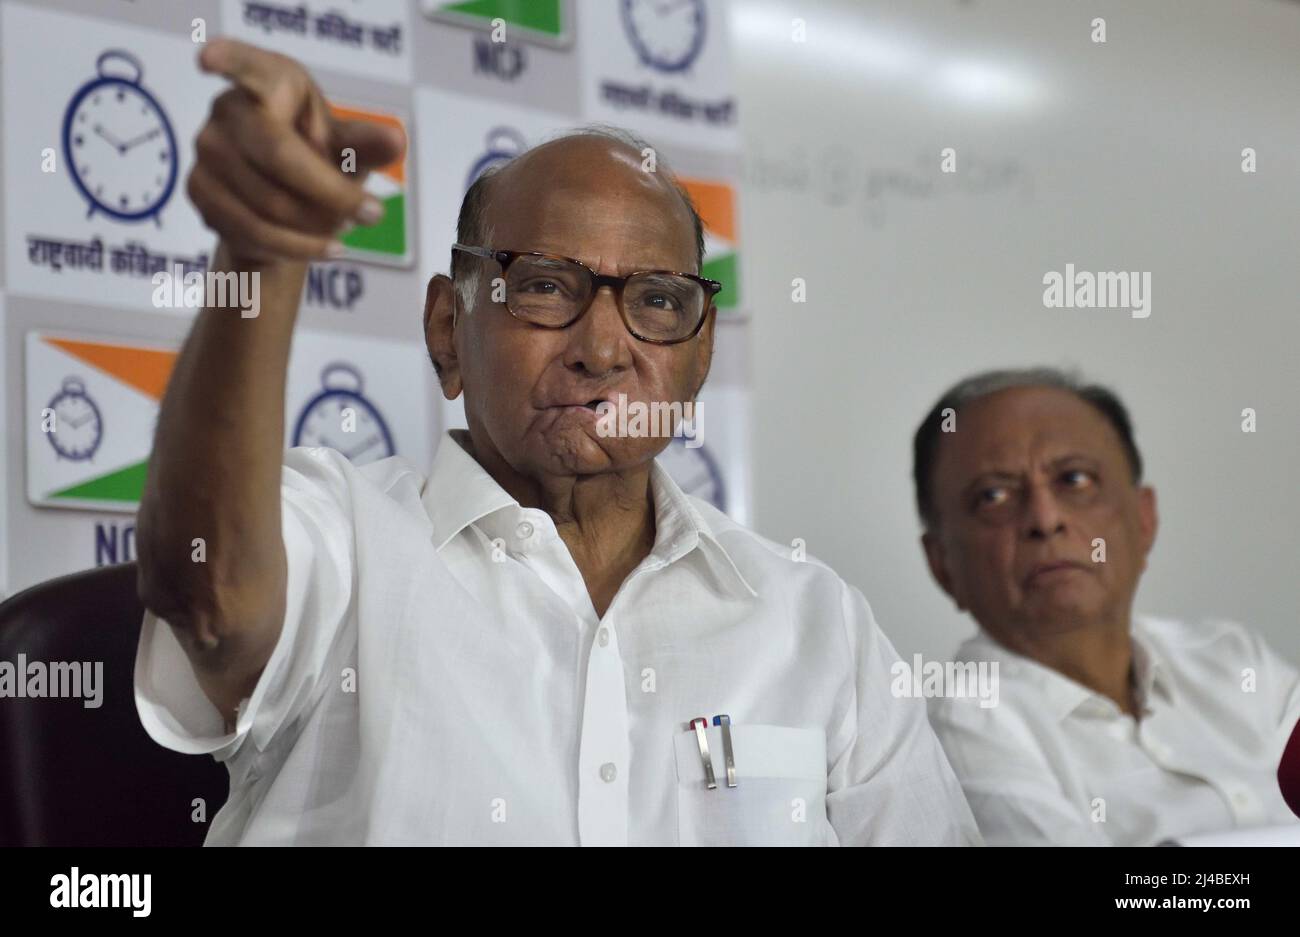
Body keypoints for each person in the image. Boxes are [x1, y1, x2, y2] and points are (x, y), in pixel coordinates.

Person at [132, 38, 979, 846]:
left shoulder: (813, 621)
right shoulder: (346, 544)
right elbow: (213, 598)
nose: (603, 348)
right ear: (446, 330)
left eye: (655, 300)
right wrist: (259, 250)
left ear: (700, 350)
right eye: (544, 286)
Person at [913, 367, 1300, 845]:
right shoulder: (961, 724)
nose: (1045, 518)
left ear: (1144, 519)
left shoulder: (1233, 658)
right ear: (941, 563)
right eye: (993, 496)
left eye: (1074, 479)